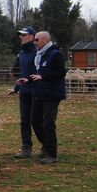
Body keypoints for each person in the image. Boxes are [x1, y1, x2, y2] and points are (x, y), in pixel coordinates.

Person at [27, 31, 67, 164]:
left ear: (44, 40)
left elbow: (60, 73)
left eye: (36, 40)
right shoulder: (40, 55)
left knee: (48, 123)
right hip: (39, 93)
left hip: (52, 94)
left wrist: (43, 77)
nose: (34, 42)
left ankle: (51, 153)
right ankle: (45, 144)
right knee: (34, 121)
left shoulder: (55, 54)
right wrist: (28, 80)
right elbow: (39, 74)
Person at [6, 26, 37, 159]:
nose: (21, 38)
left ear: (31, 37)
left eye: (24, 35)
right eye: (21, 35)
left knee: (37, 121)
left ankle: (46, 145)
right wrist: (16, 88)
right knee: (24, 121)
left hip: (37, 91)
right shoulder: (22, 53)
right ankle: (26, 147)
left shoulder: (37, 52)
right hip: (24, 92)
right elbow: (22, 74)